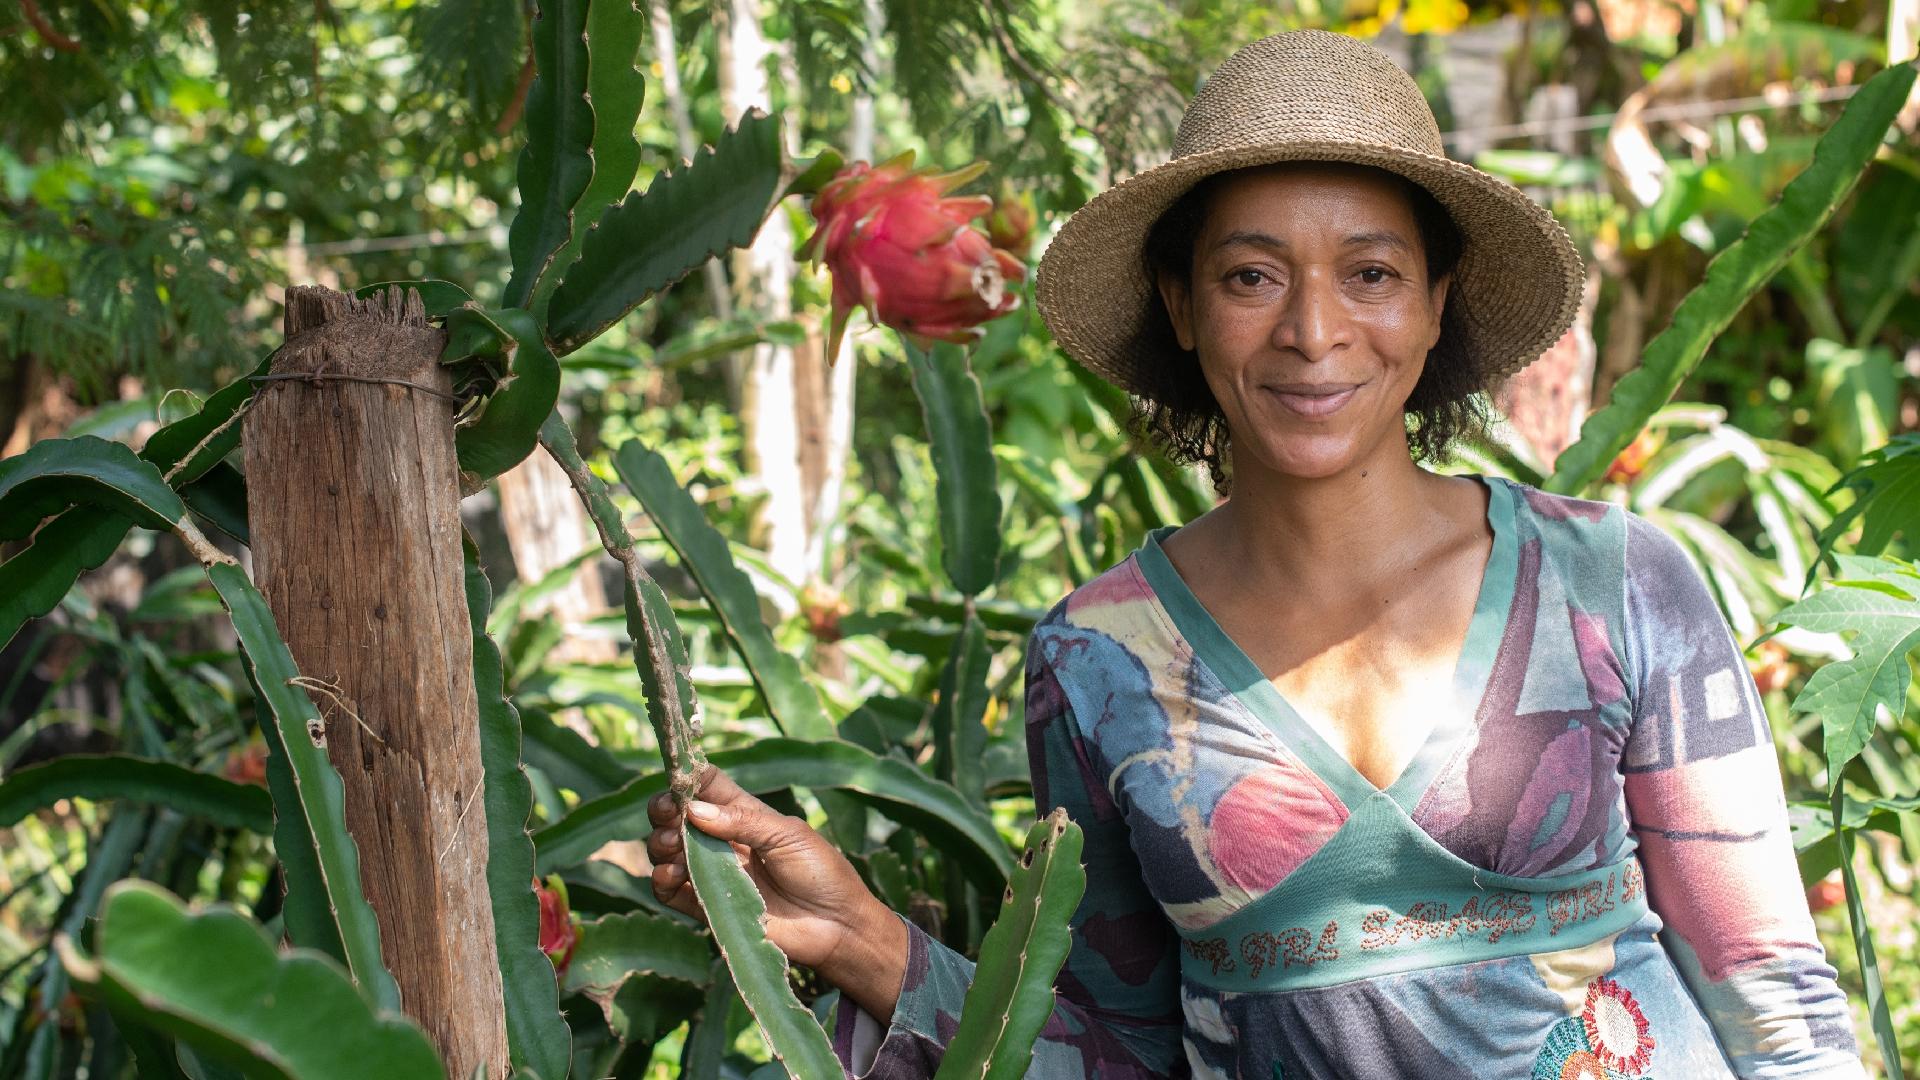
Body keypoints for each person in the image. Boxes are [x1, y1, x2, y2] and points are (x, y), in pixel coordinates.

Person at [645, 28, 1864, 1079]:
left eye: (1372, 273)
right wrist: (860, 937)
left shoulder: (1613, 582)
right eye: (1250, 276)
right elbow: (1118, 1053)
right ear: (1181, 305)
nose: (1314, 331)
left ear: (1436, 303)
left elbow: (1769, 985)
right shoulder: (1098, 662)